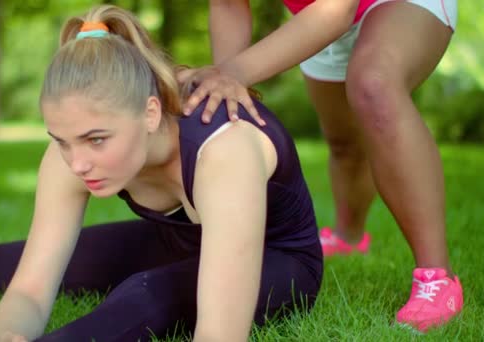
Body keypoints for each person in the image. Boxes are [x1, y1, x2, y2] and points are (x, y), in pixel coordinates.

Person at [0, 5, 322, 341]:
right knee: (2, 263)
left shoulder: (223, 152)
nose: (76, 163)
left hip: (278, 260)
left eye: (96, 140)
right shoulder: (74, 151)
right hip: (177, 243)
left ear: (151, 113)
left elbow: (219, 335)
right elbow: (30, 291)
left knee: (146, 294)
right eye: (61, 140)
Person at [177, 0, 463, 332]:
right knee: (343, 142)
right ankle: (348, 236)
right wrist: (223, 85)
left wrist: (234, 72)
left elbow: (336, 11)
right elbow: (229, 5)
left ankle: (437, 277)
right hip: (315, 16)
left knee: (374, 84)